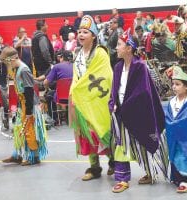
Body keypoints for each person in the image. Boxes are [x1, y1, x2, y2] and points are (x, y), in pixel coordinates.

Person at [109, 29, 168, 193]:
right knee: (120, 145)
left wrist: (125, 105)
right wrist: (113, 102)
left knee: (143, 143)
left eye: (119, 45)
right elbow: (114, 89)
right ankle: (122, 178)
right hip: (120, 113)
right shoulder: (118, 66)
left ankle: (150, 173)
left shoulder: (140, 66)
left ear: (129, 48)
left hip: (138, 113)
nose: (116, 48)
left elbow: (143, 92)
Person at [69, 15, 114, 181]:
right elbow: (76, 77)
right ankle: (94, 167)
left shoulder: (100, 52)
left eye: (85, 32)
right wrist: (74, 93)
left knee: (101, 131)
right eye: (79, 31)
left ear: (93, 35)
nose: (81, 34)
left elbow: (105, 75)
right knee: (87, 134)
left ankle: (113, 162)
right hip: (82, 101)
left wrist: (84, 91)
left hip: (97, 100)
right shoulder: (78, 54)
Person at [1, 46, 48, 165]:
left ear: (10, 60)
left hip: (29, 105)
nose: (6, 66)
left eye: (6, 62)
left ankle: (33, 157)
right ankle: (18, 154)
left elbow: (29, 91)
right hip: (22, 104)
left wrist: (28, 112)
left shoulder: (24, 70)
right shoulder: (17, 69)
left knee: (29, 130)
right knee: (19, 130)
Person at [43, 50, 73, 124]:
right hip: (74, 95)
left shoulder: (57, 66)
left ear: (61, 58)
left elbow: (45, 82)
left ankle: (54, 119)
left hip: (60, 97)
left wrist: (47, 89)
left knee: (49, 95)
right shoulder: (75, 66)